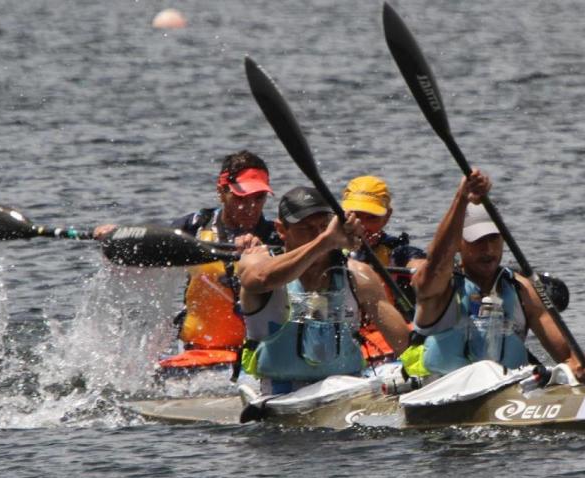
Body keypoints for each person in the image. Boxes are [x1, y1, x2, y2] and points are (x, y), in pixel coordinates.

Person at [404, 169, 585, 386]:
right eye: (478, 240)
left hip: (507, 392)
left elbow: (567, 353)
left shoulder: (521, 289)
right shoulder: (439, 286)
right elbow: (436, 263)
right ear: (459, 244)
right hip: (439, 392)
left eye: (494, 238)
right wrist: (461, 198)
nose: (488, 249)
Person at [94, 150, 280, 372]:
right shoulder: (194, 226)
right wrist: (117, 236)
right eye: (241, 198)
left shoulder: (276, 236)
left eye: (258, 198)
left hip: (258, 354)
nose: (250, 207)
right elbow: (147, 250)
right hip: (198, 353)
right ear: (221, 192)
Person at [237, 186, 411, 395]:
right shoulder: (257, 261)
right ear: (281, 229)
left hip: (348, 389)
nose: (317, 234)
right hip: (280, 392)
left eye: (323, 226)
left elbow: (405, 346)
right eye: (305, 228)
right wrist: (326, 241)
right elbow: (258, 279)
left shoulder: (358, 276)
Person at [340, 175, 426, 363]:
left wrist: (427, 272)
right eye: (356, 216)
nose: (363, 226)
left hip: (389, 344)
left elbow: (419, 266)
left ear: (387, 217)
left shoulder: (399, 253)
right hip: (345, 341)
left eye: (372, 218)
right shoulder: (330, 251)